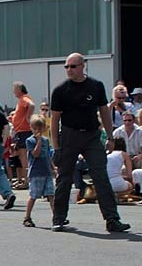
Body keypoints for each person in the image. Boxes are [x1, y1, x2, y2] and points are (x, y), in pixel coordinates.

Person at [49, 53, 130, 233]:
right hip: (70, 136)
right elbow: (54, 120)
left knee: (101, 176)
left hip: (92, 135)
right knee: (64, 177)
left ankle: (112, 219)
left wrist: (110, 137)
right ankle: (59, 218)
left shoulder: (96, 86)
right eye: (67, 67)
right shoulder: (61, 90)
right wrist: (56, 147)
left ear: (82, 66)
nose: (69, 70)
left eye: (73, 66)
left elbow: (104, 112)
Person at [21, 115, 55, 227]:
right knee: (34, 195)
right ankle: (27, 217)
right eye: (35, 128)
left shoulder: (46, 141)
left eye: (40, 128)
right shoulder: (30, 141)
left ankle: (56, 216)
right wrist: (39, 141)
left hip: (46, 171)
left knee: (51, 194)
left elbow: (47, 155)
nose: (38, 131)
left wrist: (53, 167)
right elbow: (35, 154)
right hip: (36, 173)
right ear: (31, 128)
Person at [10, 82, 35, 190]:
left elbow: (32, 105)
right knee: (22, 157)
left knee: (24, 158)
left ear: (20, 89)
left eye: (14, 89)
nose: (13, 91)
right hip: (21, 131)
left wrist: (28, 118)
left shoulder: (24, 98)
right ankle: (26, 180)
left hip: (24, 131)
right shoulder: (21, 100)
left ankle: (27, 181)